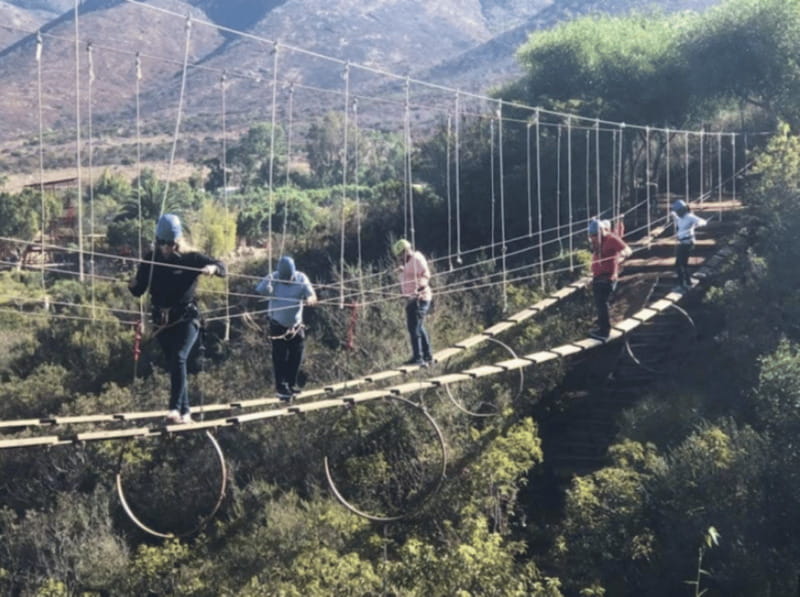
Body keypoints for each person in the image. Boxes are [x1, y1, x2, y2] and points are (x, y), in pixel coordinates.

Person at [129, 213, 226, 424]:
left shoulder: (190, 258)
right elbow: (139, 290)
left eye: (170, 244)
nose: (165, 248)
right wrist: (133, 284)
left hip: (186, 318)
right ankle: (185, 413)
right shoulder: (151, 260)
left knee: (179, 358)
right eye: (162, 243)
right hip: (162, 321)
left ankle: (174, 409)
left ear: (177, 241)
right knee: (174, 364)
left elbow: (222, 267)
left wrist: (213, 268)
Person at [256, 255, 317, 402]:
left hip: (296, 326)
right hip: (277, 325)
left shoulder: (301, 278)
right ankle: (281, 388)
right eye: (284, 279)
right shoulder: (273, 277)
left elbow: (312, 295)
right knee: (280, 357)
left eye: (288, 278)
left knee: (297, 355)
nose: (286, 281)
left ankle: (291, 384)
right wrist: (267, 288)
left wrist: (310, 299)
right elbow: (259, 290)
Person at [588, 218, 631, 341]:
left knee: (602, 302)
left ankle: (604, 331)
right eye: (591, 236)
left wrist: (621, 257)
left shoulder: (611, 239)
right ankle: (601, 328)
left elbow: (628, 250)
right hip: (598, 277)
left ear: (601, 232)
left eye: (595, 235)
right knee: (599, 303)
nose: (593, 238)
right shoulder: (596, 242)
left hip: (608, 277)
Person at [393, 238, 433, 366]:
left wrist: (419, 288)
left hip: (420, 298)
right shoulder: (408, 262)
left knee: (414, 327)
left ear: (406, 250)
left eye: (401, 254)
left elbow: (426, 274)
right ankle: (427, 356)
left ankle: (418, 357)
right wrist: (402, 270)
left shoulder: (417, 258)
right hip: (411, 299)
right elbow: (410, 275)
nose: (400, 257)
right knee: (418, 327)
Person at [671, 199, 708, 290]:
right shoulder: (680, 218)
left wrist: (699, 223)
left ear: (682, 210)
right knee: (678, 264)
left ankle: (685, 283)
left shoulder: (690, 217)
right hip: (681, 242)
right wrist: (674, 216)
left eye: (678, 211)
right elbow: (679, 220)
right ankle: (685, 282)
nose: (677, 213)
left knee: (681, 264)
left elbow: (703, 222)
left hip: (688, 243)